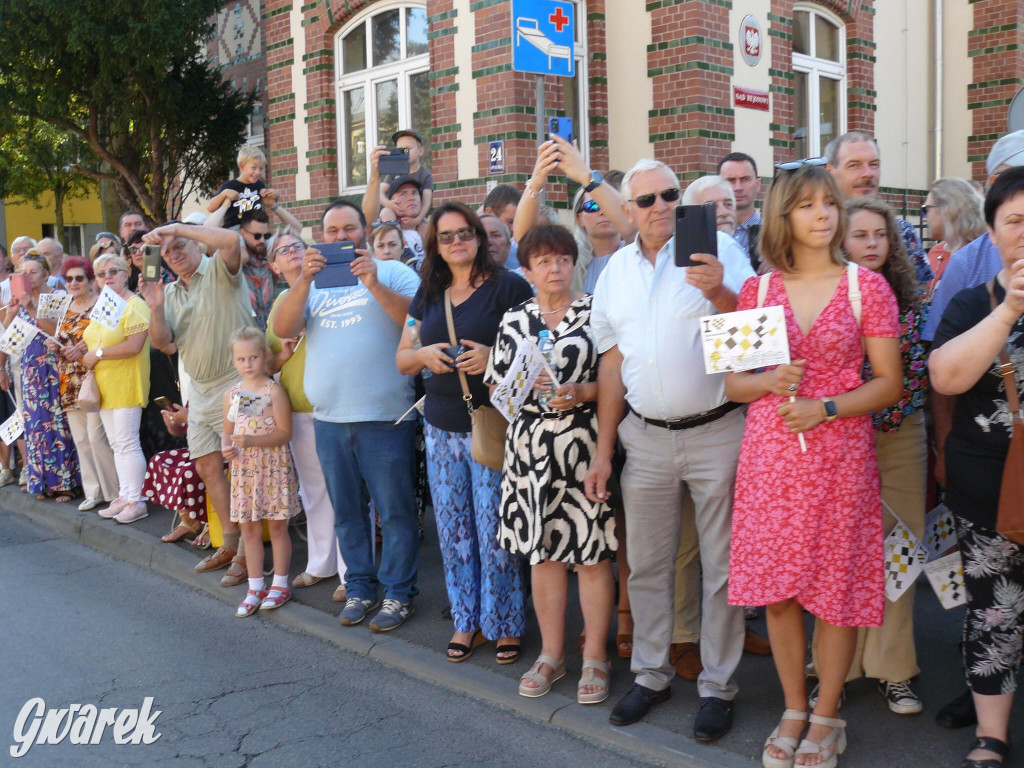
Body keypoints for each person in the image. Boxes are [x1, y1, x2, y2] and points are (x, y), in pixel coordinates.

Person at [724, 163, 902, 768]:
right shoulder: (758, 290)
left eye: (829, 204)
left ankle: (828, 715)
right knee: (777, 593)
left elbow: (890, 385)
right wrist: (769, 379)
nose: (823, 215)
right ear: (784, 216)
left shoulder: (866, 288)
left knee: (836, 591)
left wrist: (826, 406)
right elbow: (733, 387)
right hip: (772, 456)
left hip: (840, 454)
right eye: (807, 206)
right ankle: (793, 707)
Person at [584, 158, 753, 739]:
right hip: (647, 437)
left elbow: (754, 337)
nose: (660, 207)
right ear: (627, 212)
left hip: (718, 431)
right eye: (647, 200)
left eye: (670, 196)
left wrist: (722, 292)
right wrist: (603, 452)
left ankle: (717, 685)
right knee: (649, 565)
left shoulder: (722, 252)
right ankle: (651, 674)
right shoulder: (613, 273)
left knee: (723, 568)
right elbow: (612, 367)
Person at [273, 200, 421, 633]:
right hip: (330, 418)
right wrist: (302, 279)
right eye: (332, 230)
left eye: (349, 229)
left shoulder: (392, 271)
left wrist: (373, 282)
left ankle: (398, 593)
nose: (341, 237)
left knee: (394, 512)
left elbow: (416, 321)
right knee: (348, 511)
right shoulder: (311, 281)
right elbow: (283, 328)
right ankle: (359, 586)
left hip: (385, 416)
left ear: (364, 230)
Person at [485, 225, 616, 704]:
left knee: (592, 554)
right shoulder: (515, 316)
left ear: (574, 263)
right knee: (544, 553)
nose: (555, 268)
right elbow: (498, 387)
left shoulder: (596, 311)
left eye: (563, 258)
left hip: (583, 442)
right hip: (530, 447)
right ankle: (553, 653)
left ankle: (596, 655)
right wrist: (519, 388)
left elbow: (621, 378)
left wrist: (583, 391)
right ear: (527, 270)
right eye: (544, 261)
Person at [397, 201, 533, 662]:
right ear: (435, 244)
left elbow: (538, 353)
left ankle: (506, 622)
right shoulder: (427, 293)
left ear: (479, 237)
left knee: (496, 527)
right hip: (440, 427)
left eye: (466, 233)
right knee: (455, 532)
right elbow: (402, 356)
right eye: (447, 236)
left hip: (493, 423)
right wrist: (424, 355)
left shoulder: (508, 287)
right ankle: (467, 620)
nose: (458, 242)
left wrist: (494, 355)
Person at [923, 130, 1024, 731]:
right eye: (1014, 222)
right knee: (993, 612)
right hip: (988, 488)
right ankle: (991, 735)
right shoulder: (972, 302)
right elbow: (946, 376)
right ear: (992, 233)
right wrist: (1009, 308)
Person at [815, 197, 929, 714]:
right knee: (837, 557)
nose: (872, 244)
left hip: (901, 434)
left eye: (880, 235)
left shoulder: (907, 298)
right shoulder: (826, 295)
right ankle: (836, 669)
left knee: (900, 550)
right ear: (841, 240)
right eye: (860, 235)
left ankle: (894, 669)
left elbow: (921, 374)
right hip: (838, 436)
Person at [139, 222, 254, 585]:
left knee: (246, 470)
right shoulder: (168, 292)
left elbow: (232, 240)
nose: (173, 255)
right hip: (201, 390)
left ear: (196, 243)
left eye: (180, 245)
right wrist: (155, 308)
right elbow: (164, 344)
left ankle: (251, 555)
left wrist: (173, 227)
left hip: (240, 384)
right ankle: (231, 544)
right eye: (167, 251)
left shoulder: (219, 266)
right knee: (207, 467)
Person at [266, 231, 348, 602]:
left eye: (298, 246)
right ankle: (320, 563)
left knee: (346, 490)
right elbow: (266, 361)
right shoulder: (281, 302)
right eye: (284, 250)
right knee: (314, 491)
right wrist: (282, 355)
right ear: (274, 265)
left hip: (336, 406)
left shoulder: (331, 290)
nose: (293, 253)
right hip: (298, 409)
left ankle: (352, 571)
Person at [222, 327, 300, 617]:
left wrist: (253, 441)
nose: (248, 364)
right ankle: (255, 586)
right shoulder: (231, 394)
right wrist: (226, 450)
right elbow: (227, 432)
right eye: (241, 359)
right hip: (245, 470)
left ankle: (280, 583)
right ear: (233, 361)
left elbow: (284, 433)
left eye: (253, 357)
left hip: (273, 466)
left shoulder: (273, 391)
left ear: (265, 357)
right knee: (250, 528)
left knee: (277, 526)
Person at [1, 253, 81, 502]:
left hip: (55, 368)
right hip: (30, 371)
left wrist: (31, 307)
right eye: (23, 272)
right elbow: (8, 337)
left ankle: (67, 483)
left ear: (47, 274)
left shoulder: (56, 297)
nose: (28, 277)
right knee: (35, 426)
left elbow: (58, 332)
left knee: (59, 425)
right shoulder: (20, 301)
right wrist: (12, 313)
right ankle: (42, 481)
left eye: (33, 272)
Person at [82, 254, 152, 524]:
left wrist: (97, 353)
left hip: (126, 382)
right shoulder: (106, 304)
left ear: (126, 274)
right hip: (105, 384)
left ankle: (137, 500)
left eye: (113, 271)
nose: (107, 277)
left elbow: (134, 346)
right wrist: (83, 349)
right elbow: (95, 339)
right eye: (101, 274)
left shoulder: (135, 305)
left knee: (127, 443)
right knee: (116, 444)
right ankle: (125, 495)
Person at [513, 135, 632, 293]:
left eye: (605, 205)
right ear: (579, 217)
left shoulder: (635, 251)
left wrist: (584, 174)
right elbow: (522, 237)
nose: (602, 211)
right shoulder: (568, 257)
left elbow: (631, 222)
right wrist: (535, 183)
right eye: (592, 206)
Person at [51, 257, 118, 512]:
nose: (74, 283)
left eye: (79, 278)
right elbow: (61, 340)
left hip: (94, 378)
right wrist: (56, 347)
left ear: (91, 281)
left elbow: (111, 338)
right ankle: (93, 491)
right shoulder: (64, 309)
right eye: (69, 279)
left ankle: (114, 492)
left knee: (97, 438)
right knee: (80, 439)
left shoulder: (101, 305)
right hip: (69, 379)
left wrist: (85, 348)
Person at [825, 131, 933, 285]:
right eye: (854, 165)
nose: (868, 174)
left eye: (874, 165)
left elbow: (919, 300)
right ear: (831, 171)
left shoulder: (903, 233)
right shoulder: (821, 231)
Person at [924, 178, 986, 299]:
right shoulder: (935, 252)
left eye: (926, 209)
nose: (925, 218)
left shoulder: (976, 259)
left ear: (947, 211)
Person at [380, 128, 434, 236]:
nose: (404, 153)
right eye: (400, 150)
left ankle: (422, 251)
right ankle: (399, 241)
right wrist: (388, 204)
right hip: (397, 214)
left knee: (425, 226)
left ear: (420, 151)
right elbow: (379, 192)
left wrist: (417, 220)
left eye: (408, 149)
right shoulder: (393, 172)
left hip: (416, 216)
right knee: (386, 212)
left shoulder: (425, 174)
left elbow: (426, 202)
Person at [207, 145, 270, 230]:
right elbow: (211, 208)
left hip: (255, 228)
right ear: (242, 167)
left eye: (261, 168)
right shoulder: (230, 186)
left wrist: (268, 193)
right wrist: (224, 194)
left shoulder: (259, 185)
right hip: (235, 228)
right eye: (253, 168)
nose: (258, 172)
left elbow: (271, 201)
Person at [718, 152, 763, 258]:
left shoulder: (777, 235)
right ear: (718, 186)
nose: (738, 187)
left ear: (758, 184)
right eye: (730, 180)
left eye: (745, 179)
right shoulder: (706, 238)